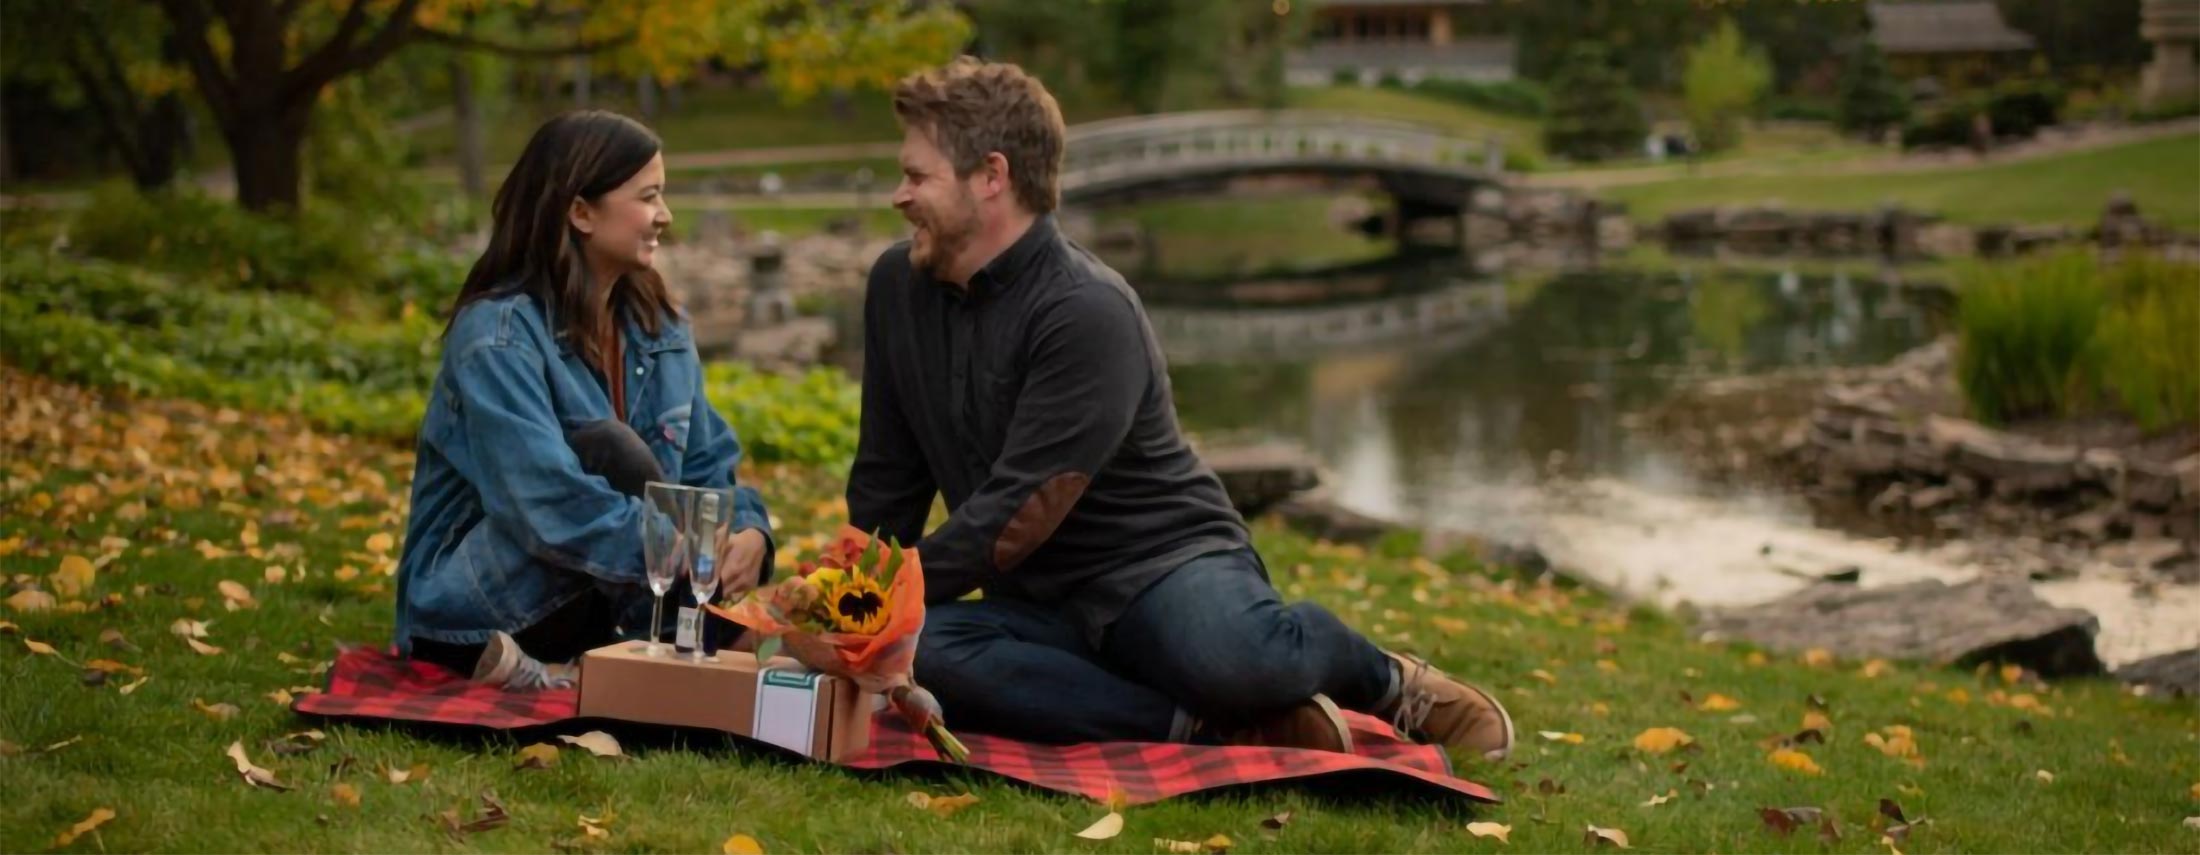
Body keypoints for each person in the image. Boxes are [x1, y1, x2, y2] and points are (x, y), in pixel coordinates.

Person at [848, 58, 1516, 758]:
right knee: (924, 654)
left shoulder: (1085, 309)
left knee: (1236, 661)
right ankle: (1205, 725)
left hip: (1164, 567)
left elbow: (1024, 510)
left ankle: (1385, 677)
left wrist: (883, 602)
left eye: (917, 177)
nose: (900, 195)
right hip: (1037, 603)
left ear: (992, 176)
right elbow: (887, 476)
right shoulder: (899, 286)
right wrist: (852, 605)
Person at [392, 111, 774, 690]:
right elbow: (547, 505)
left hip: (608, 589)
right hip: (482, 607)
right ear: (580, 212)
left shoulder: (661, 329)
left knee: (693, 514)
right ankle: (675, 636)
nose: (665, 216)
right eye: (649, 197)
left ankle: (631, 650)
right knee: (610, 450)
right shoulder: (497, 335)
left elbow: (706, 467)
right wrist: (686, 557)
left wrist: (748, 535)